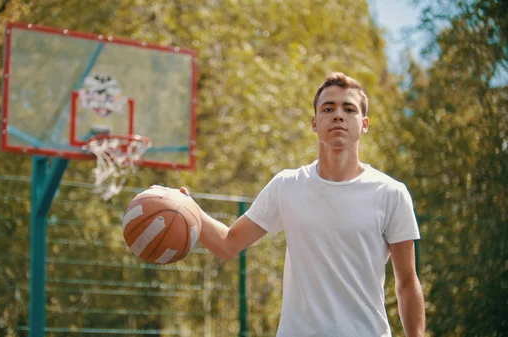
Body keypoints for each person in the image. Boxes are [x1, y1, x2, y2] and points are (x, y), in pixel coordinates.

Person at [160, 72, 425, 336]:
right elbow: (229, 243)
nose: (338, 115)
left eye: (349, 109)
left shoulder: (391, 193)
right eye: (328, 108)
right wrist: (189, 209)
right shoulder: (287, 185)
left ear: (364, 123)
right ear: (314, 122)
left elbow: (406, 282)